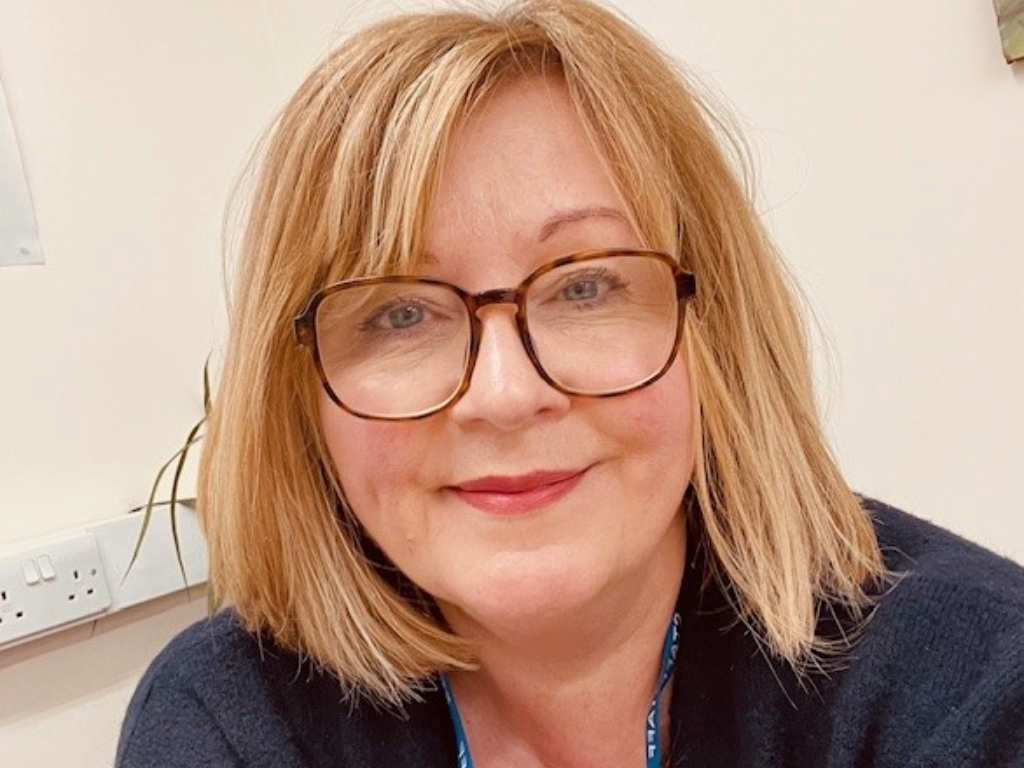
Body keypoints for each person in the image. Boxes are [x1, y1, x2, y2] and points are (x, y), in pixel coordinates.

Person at [116, 1, 1024, 766]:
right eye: (399, 312)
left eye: (586, 285)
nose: (506, 396)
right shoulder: (229, 722)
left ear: (713, 330)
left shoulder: (973, 680)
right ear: (299, 387)